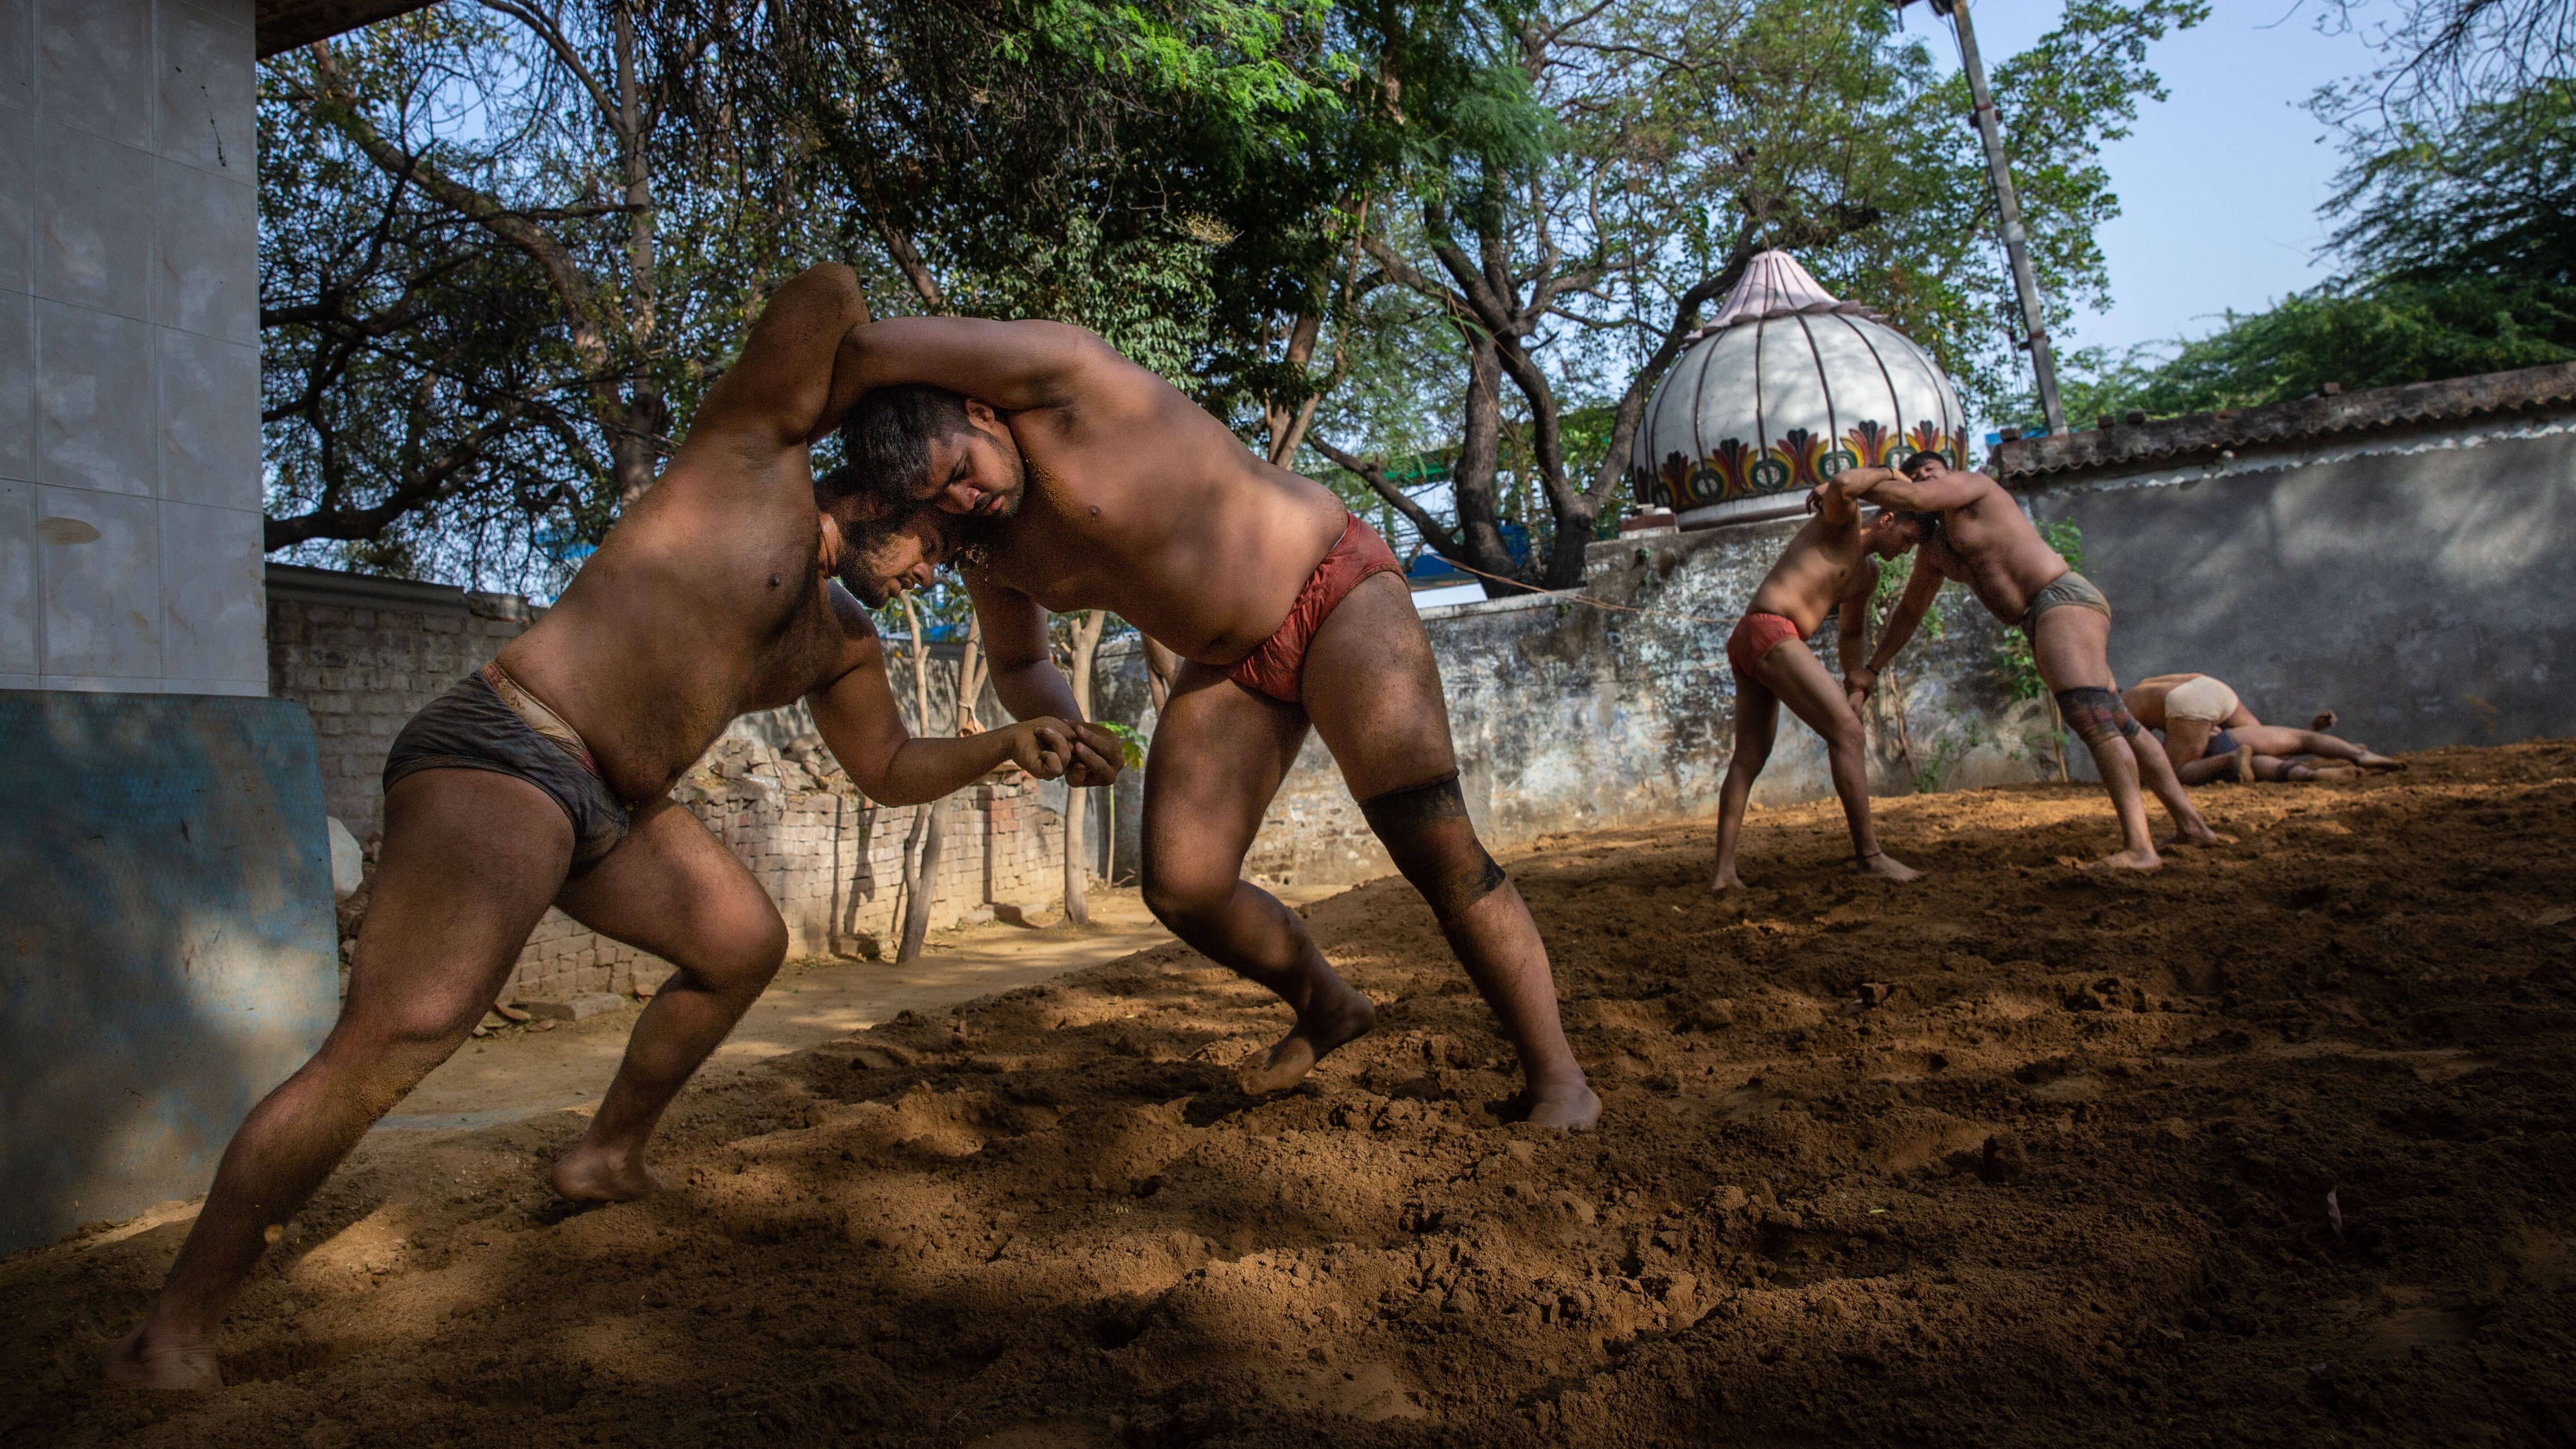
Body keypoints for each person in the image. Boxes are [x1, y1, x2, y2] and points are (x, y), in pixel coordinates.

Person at [107, 265, 1110, 1391]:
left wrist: (1003, 745)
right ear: (895, 479)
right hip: (509, 747)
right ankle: (176, 1321)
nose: (936, 569)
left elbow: (882, 767)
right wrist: (937, 409)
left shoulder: (844, 639)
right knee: (405, 1028)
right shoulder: (750, 457)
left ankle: (604, 1151)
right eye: (941, 534)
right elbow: (824, 294)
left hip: (613, 804)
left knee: (740, 941)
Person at [824, 317, 1601, 1132]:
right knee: (1183, 884)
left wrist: (777, 455)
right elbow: (1020, 666)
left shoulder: (1067, 386)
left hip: (1333, 586)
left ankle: (1559, 1077)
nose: (962, 497)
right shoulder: (986, 548)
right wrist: (1069, 728)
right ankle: (1328, 1005)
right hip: (1232, 668)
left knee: (1433, 843)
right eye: (936, 497)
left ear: (982, 410)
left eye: (960, 469)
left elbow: (868, 346)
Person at [1846, 451, 2220, 871]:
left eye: (1927, 473)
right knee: (2120, 721)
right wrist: (1873, 668)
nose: (1920, 482)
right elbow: (1910, 613)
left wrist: (1848, 485)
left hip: (2060, 599)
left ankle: (2140, 847)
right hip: (2041, 617)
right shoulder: (1934, 550)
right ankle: (2192, 826)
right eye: (1913, 477)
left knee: (2092, 719)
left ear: (1946, 473)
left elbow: (1914, 498)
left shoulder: (1973, 488)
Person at [1710, 467, 1924, 891]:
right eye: (1906, 539)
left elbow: (1852, 633)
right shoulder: (1840, 523)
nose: (1905, 551)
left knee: (1750, 755)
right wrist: (1892, 474)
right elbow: (1844, 485)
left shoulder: (1867, 576)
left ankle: (1724, 874)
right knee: (1847, 734)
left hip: (1757, 638)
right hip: (1770, 629)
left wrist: (1854, 685)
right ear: (1887, 519)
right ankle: (1870, 856)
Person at [2125, 673, 2406, 783]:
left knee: (2178, 772)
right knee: (2290, 741)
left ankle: (2231, 760)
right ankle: (2357, 756)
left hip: (2187, 706)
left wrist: (2190, 734)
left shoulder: (2116, 707)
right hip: (2213, 687)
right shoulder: (2146, 685)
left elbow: (2145, 755)